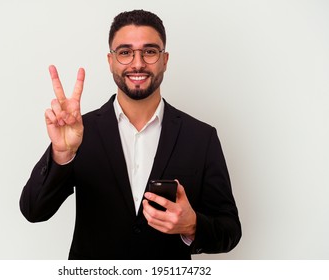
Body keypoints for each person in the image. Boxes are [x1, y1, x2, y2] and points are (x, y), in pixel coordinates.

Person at [20, 9, 241, 260]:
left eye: (149, 51)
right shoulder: (80, 132)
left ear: (165, 59)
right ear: (110, 60)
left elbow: (230, 230)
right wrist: (61, 153)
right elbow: (33, 210)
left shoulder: (201, 137)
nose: (137, 63)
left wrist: (192, 225)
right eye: (125, 52)